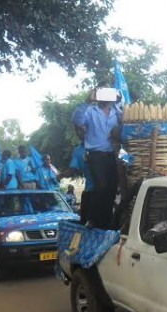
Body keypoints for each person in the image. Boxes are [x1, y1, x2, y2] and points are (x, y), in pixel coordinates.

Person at [71, 85, 122, 229]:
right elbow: (77, 120)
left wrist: (120, 101)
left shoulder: (116, 112)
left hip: (112, 154)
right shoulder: (90, 111)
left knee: (112, 188)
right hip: (96, 155)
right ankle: (93, 219)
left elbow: (125, 122)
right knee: (101, 186)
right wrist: (87, 100)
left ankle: (106, 221)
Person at [59, 145, 93, 225]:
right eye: (78, 131)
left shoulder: (103, 144)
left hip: (103, 189)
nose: (81, 132)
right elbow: (72, 170)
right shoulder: (78, 151)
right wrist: (62, 175)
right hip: (90, 190)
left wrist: (61, 175)